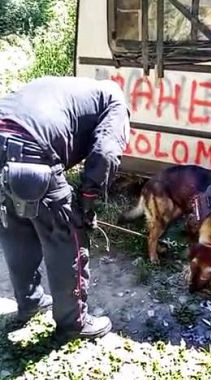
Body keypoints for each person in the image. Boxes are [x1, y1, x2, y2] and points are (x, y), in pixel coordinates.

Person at [0, 76, 130, 339]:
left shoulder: (70, 90)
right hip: (33, 152)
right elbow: (106, 153)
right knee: (66, 237)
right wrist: (86, 203)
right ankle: (74, 323)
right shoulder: (116, 103)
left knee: (16, 227)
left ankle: (30, 303)